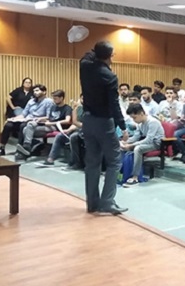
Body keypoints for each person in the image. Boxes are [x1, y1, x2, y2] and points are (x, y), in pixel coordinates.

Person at [79, 41, 128, 215]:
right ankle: (107, 202)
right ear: (109, 56)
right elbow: (114, 104)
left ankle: (92, 203)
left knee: (92, 163)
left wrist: (98, 52)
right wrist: (122, 126)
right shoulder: (109, 76)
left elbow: (88, 54)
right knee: (114, 161)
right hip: (103, 122)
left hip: (87, 120)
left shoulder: (85, 65)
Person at [0, 84, 54, 156]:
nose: (35, 92)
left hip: (38, 121)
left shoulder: (49, 101)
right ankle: (2, 148)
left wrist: (34, 119)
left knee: (23, 126)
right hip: (26, 119)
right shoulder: (31, 101)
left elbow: (48, 117)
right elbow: (23, 114)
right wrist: (13, 119)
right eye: (34, 91)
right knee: (8, 125)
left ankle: (20, 149)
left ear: (44, 92)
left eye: (37, 90)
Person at [16, 89, 72, 159]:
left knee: (27, 129)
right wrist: (41, 119)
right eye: (53, 98)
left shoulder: (67, 108)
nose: (54, 100)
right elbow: (49, 118)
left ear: (61, 98)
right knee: (27, 128)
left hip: (55, 127)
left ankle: (30, 146)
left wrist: (51, 123)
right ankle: (30, 145)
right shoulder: (53, 107)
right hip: (48, 125)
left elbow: (67, 120)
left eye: (56, 99)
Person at [120, 103, 165, 187]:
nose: (133, 120)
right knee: (122, 147)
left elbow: (149, 140)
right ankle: (121, 173)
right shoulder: (139, 124)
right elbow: (135, 137)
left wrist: (131, 145)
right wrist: (125, 142)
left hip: (156, 143)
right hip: (147, 142)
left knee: (138, 149)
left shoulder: (153, 122)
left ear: (141, 113)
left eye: (134, 117)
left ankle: (135, 177)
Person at [38, 95, 84, 167]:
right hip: (76, 130)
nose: (83, 100)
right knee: (60, 135)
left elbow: (82, 124)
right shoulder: (80, 109)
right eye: (82, 98)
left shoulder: (90, 110)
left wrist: (75, 113)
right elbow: (74, 124)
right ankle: (51, 158)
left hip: (86, 131)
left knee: (73, 137)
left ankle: (75, 162)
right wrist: (68, 130)